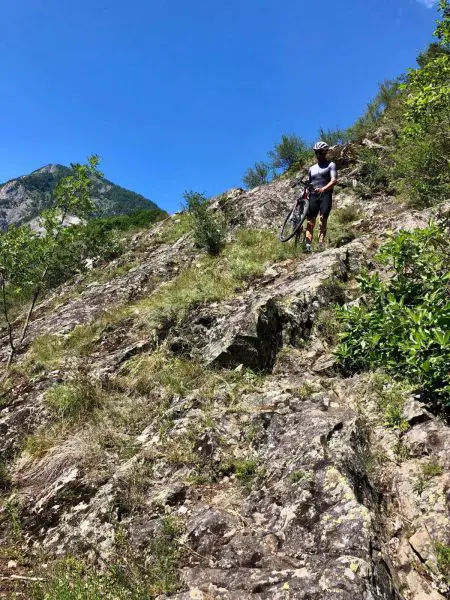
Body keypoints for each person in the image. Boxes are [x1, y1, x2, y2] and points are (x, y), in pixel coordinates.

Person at [305, 141, 338, 252]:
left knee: (323, 219)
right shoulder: (311, 168)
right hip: (313, 195)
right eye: (316, 152)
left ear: (325, 153)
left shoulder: (331, 165)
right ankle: (307, 246)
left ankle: (320, 244)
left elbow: (334, 180)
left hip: (325, 194)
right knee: (310, 221)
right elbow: (308, 184)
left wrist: (323, 189)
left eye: (320, 152)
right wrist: (304, 194)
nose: (318, 155)